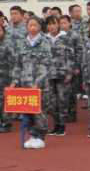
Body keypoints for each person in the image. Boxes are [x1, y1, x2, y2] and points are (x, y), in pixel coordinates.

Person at [10, 16, 54, 148]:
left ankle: (40, 137)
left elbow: (46, 65)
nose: (32, 28)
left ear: (40, 27)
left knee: (39, 111)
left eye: (35, 25)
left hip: (40, 85)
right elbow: (17, 64)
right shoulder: (22, 43)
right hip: (25, 84)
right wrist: (14, 81)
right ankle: (32, 135)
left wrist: (37, 82)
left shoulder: (45, 42)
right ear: (27, 27)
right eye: (30, 25)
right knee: (28, 111)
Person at [45, 16, 74, 137]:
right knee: (51, 103)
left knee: (62, 101)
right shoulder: (44, 39)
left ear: (58, 24)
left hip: (62, 74)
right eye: (49, 24)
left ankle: (62, 125)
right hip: (49, 75)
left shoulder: (65, 38)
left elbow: (71, 56)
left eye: (54, 23)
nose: (51, 26)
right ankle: (56, 124)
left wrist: (69, 72)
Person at [0, 23, 16, 133]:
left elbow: (14, 63)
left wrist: (13, 80)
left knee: (5, 101)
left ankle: (6, 123)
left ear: (3, 32)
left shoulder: (8, 44)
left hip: (6, 77)